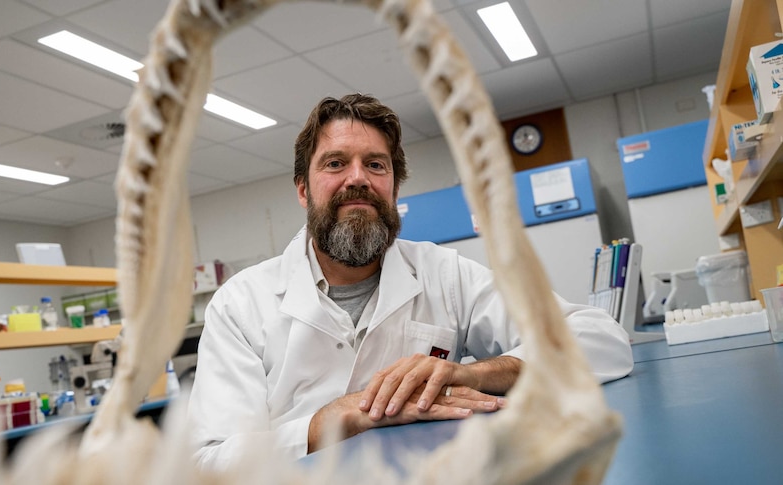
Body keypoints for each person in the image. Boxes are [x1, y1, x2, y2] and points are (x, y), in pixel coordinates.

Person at [187, 93, 634, 471]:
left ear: (394, 188)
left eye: (376, 165)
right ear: (304, 189)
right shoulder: (240, 305)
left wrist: (474, 373)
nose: (357, 178)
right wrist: (334, 419)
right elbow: (210, 460)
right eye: (336, 163)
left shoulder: (445, 273)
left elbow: (601, 340)